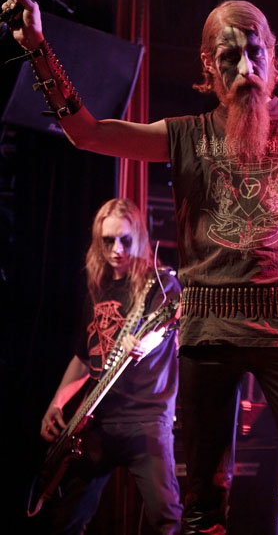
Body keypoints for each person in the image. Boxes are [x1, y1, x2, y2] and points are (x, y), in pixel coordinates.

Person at [4, 0, 278, 534]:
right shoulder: (187, 136)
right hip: (207, 327)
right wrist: (37, 46)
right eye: (229, 57)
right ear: (208, 67)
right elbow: (87, 133)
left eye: (255, 52)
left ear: (272, 54)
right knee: (201, 507)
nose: (245, 68)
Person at [36, 198, 182, 535]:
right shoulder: (96, 288)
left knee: (166, 518)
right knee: (66, 518)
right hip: (98, 421)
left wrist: (145, 344)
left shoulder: (160, 284)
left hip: (147, 419)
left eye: (125, 240)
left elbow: (165, 327)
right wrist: (56, 403)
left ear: (139, 238)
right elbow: (84, 358)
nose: (117, 249)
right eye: (108, 241)